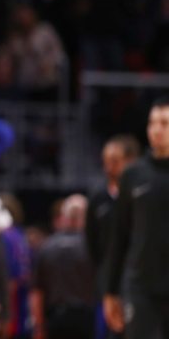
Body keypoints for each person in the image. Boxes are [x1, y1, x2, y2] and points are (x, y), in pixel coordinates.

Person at [104, 97, 169, 338]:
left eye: (164, 123)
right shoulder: (133, 174)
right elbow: (120, 235)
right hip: (141, 287)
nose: (157, 130)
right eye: (153, 123)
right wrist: (110, 291)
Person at [85, 134, 139, 339]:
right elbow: (92, 244)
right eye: (105, 161)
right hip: (108, 284)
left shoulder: (143, 195)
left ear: (131, 161)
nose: (108, 167)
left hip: (139, 281)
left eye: (115, 161)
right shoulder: (98, 199)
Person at [31, 195, 96, 339]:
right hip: (86, 319)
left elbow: (37, 293)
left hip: (55, 319)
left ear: (64, 217)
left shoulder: (47, 247)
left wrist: (38, 327)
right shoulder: (94, 248)